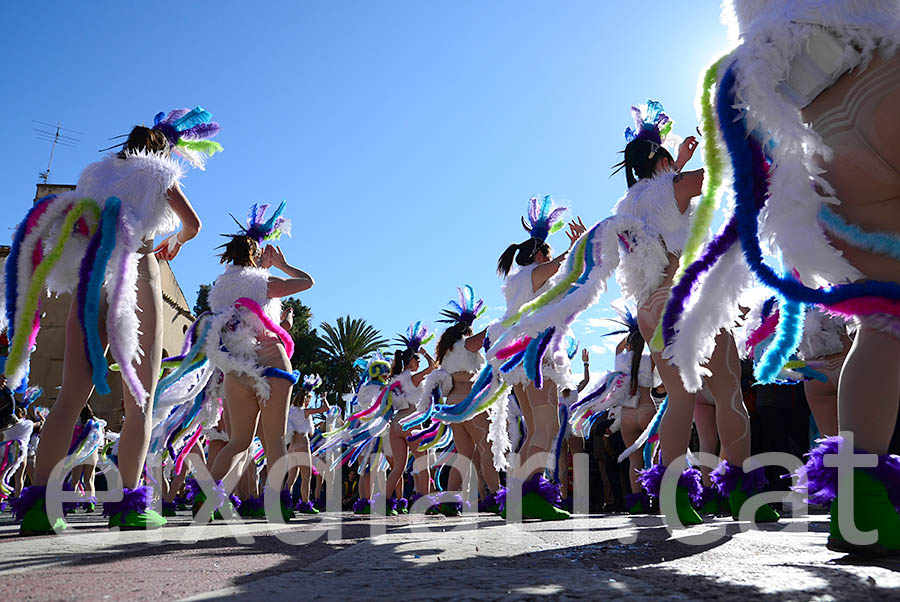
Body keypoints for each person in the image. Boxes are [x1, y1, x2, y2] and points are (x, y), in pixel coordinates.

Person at [8, 108, 220, 534]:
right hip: (137, 269)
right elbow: (193, 224)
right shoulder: (160, 174)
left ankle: (39, 507)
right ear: (166, 150)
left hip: (92, 274)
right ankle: (128, 504)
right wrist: (172, 240)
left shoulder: (95, 174)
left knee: (69, 396)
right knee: (139, 396)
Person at [202, 202, 313, 522]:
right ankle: (277, 504)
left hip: (237, 370)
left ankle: (205, 500)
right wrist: (283, 264)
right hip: (271, 365)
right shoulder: (262, 282)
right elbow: (307, 282)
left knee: (238, 441)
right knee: (275, 441)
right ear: (255, 255)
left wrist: (263, 268)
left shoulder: (219, 288)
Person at [492, 196, 585, 520]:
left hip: (523, 358)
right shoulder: (529, 275)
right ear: (536, 255)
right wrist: (578, 245)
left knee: (537, 429)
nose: (549, 257)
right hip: (533, 356)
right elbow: (562, 265)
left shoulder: (522, 282)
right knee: (547, 426)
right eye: (545, 251)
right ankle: (520, 495)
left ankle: (525, 494)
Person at [285, 375, 328, 514]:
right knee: (306, 476)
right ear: (306, 399)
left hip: (292, 447)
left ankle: (284, 502)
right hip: (303, 446)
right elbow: (325, 408)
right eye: (309, 399)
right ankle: (305, 504)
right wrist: (323, 398)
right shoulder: (305, 411)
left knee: (291, 478)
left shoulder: (290, 411)